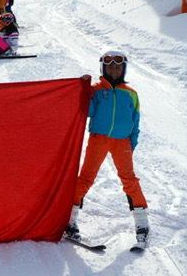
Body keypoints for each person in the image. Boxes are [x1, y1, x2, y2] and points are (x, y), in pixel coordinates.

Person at [66, 51, 149, 248]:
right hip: (99, 139)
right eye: (110, 66)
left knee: (129, 180)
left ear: (123, 69)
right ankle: (70, 220)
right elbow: (87, 111)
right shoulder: (96, 90)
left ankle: (142, 224)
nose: (114, 69)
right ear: (103, 68)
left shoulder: (131, 93)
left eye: (118, 66)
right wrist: (83, 89)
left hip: (122, 142)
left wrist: (131, 143)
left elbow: (135, 121)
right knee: (85, 177)